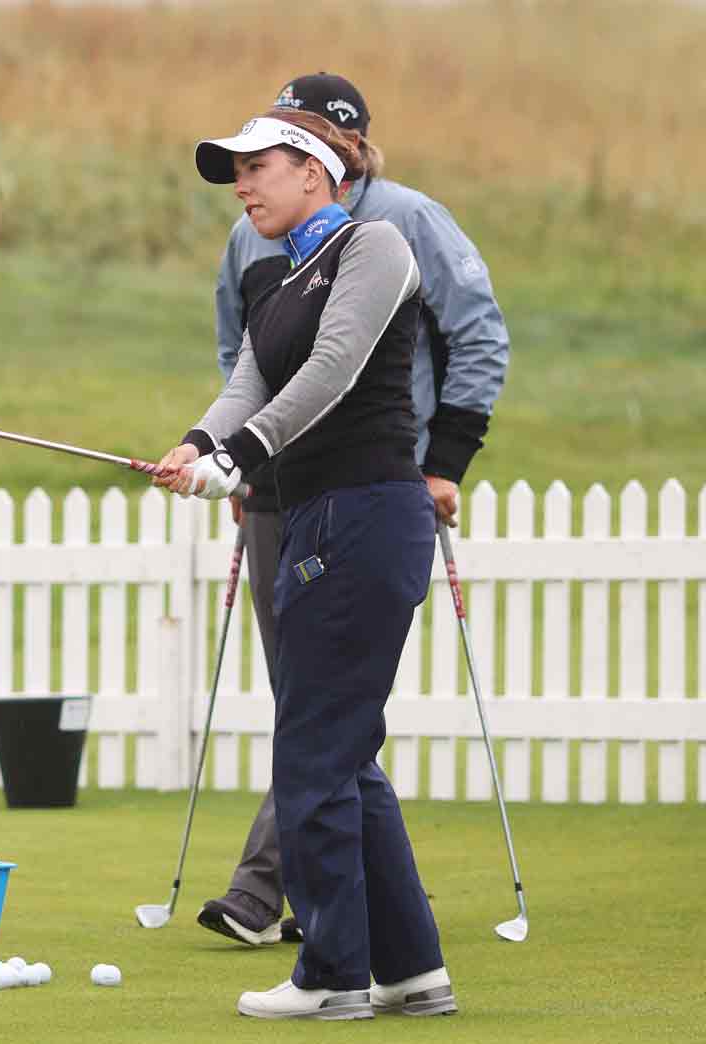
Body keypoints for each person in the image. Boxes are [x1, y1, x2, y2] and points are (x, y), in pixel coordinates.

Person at [156, 106, 456, 1019]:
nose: (243, 186)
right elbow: (252, 379)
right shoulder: (275, 280)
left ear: (317, 174)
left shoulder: (375, 248)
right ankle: (411, 969)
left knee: (313, 751)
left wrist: (237, 456)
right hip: (320, 519)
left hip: (368, 514)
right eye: (236, 173)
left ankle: (333, 976)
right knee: (345, 754)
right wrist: (196, 443)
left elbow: (331, 369)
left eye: (258, 168)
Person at [196, 73, 509, 950]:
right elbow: (247, 357)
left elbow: (466, 337)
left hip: (376, 484)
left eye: (267, 158)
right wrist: (213, 448)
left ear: (327, 158)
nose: (246, 182)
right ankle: (395, 946)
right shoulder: (253, 239)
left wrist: (447, 459)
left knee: (321, 719)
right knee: (319, 711)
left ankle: (292, 913)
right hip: (279, 488)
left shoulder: (397, 229)